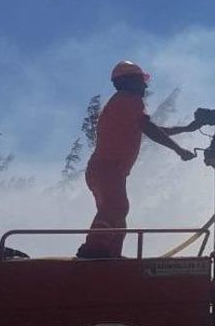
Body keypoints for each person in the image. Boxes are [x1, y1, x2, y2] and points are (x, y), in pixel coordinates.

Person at [76, 61, 197, 259]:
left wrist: (186, 129)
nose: (145, 86)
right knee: (116, 207)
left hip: (104, 170)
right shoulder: (128, 100)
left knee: (118, 216)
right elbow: (150, 130)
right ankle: (94, 252)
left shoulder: (121, 103)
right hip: (108, 168)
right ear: (128, 81)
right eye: (141, 81)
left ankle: (109, 256)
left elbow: (152, 129)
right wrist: (179, 150)